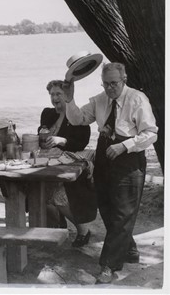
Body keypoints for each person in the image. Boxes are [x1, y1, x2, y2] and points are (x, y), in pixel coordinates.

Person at [62, 63, 158, 283]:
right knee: (106, 207)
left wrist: (124, 146)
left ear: (124, 79)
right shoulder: (100, 99)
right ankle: (130, 249)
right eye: (106, 83)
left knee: (123, 212)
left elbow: (151, 133)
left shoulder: (137, 99)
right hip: (104, 154)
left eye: (114, 83)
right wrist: (69, 99)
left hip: (129, 157)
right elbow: (77, 119)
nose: (110, 88)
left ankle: (108, 266)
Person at [39, 79, 97, 247]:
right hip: (48, 161)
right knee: (37, 190)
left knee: (57, 196)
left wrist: (61, 139)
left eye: (59, 94)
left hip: (69, 163)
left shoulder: (78, 117)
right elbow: (40, 132)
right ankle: (56, 227)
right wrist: (42, 135)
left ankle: (83, 230)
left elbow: (81, 143)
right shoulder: (48, 113)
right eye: (52, 94)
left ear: (67, 95)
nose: (55, 98)